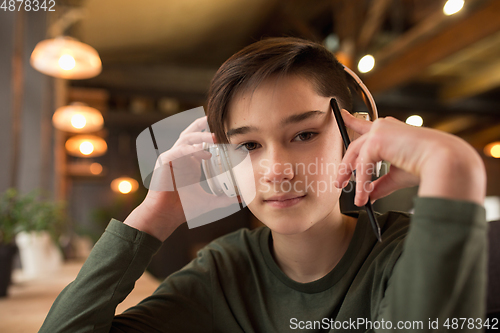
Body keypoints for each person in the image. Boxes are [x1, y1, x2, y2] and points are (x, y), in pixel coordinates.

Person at [39, 38, 488, 332]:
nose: (276, 169)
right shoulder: (224, 272)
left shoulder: (407, 252)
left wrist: (453, 165)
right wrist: (155, 214)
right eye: (249, 145)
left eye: (305, 134)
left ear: (354, 134)